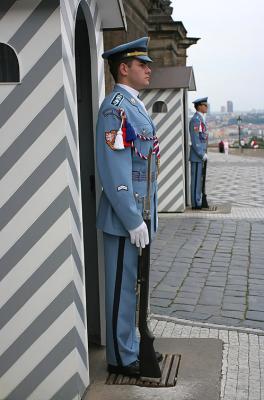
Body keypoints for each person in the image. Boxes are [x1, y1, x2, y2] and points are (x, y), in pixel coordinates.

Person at [96, 37, 161, 377]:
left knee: (134, 285)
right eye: (142, 65)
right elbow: (114, 168)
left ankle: (132, 345)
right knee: (122, 288)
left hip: (138, 213)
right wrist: (133, 219)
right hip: (125, 217)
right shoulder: (115, 108)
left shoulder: (132, 105)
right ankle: (121, 356)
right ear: (124, 68)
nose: (149, 69)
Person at [189, 97, 209, 209]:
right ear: (199, 106)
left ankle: (198, 200)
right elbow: (195, 139)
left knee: (199, 180)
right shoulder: (196, 120)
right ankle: (196, 203)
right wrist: (202, 154)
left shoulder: (201, 119)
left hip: (199, 155)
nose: (206, 107)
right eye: (205, 105)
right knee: (196, 180)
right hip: (197, 156)